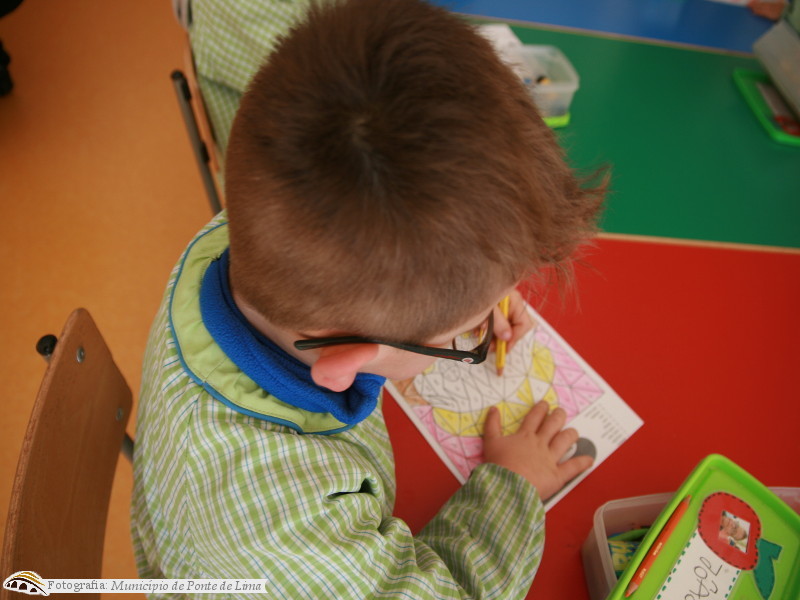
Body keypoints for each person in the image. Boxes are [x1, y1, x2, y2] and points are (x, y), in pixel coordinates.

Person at [132, 0, 604, 597]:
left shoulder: (244, 239)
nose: (482, 329)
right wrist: (512, 488)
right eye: (464, 337)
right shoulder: (296, 522)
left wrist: (467, 298)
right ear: (346, 358)